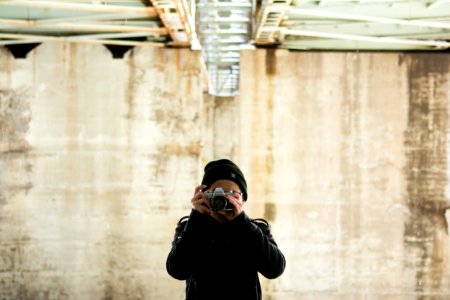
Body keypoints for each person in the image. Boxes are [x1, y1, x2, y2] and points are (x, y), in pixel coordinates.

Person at [166, 159, 286, 300]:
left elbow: (275, 269)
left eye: (232, 195)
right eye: (217, 195)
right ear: (204, 196)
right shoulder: (191, 227)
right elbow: (176, 270)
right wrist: (196, 218)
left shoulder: (255, 229)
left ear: (243, 200)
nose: (224, 201)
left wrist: (242, 222)